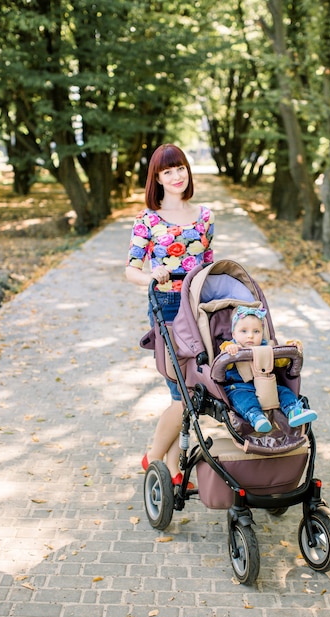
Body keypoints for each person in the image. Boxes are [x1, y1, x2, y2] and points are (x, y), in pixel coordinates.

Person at [125, 144, 214, 486]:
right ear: (157, 179)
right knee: (184, 392)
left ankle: (175, 470)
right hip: (167, 308)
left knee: (191, 389)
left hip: (199, 309)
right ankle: (155, 457)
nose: (176, 176)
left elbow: (208, 265)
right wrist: (152, 274)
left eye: (180, 169)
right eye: (167, 171)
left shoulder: (206, 216)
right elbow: (130, 270)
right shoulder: (148, 219)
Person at [220, 306, 318, 433]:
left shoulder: (266, 347)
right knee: (242, 398)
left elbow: (280, 362)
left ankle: (293, 410)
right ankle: (256, 417)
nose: (250, 336)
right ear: (234, 334)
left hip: (267, 385)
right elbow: (224, 364)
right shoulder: (231, 346)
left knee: (284, 391)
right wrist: (229, 350)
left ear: (262, 332)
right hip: (239, 386)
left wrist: (290, 348)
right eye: (244, 331)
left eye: (256, 332)